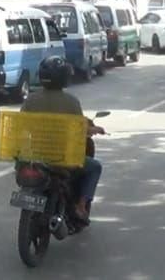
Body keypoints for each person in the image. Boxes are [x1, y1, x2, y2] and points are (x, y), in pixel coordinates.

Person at [22, 56, 104, 221]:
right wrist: (93, 129)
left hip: (35, 157)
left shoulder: (31, 100)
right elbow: (80, 129)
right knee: (95, 167)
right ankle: (80, 206)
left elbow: (22, 126)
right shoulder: (71, 102)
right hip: (63, 159)